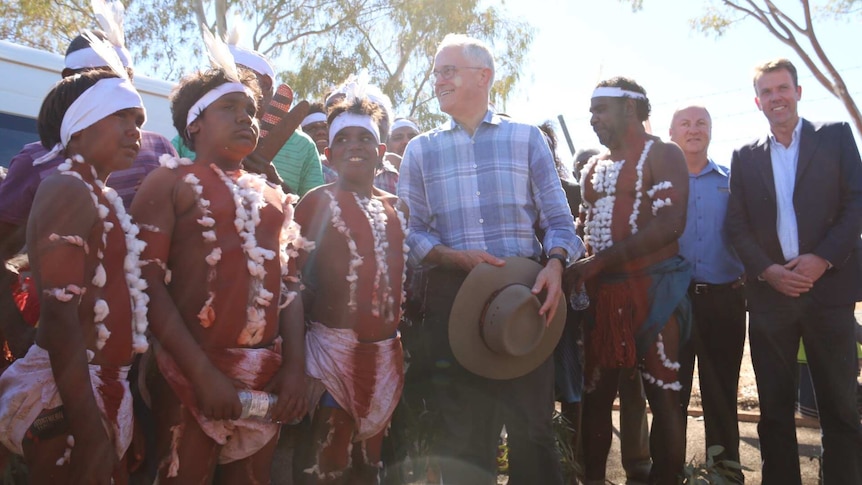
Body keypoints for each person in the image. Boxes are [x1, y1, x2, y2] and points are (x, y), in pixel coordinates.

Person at [398, 34, 581, 485]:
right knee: (463, 437)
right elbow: (409, 232)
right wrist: (450, 256)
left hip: (524, 302)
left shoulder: (528, 140)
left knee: (533, 433)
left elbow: (561, 221)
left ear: (484, 76)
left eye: (448, 70)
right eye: (436, 71)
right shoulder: (420, 150)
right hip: (453, 303)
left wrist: (556, 265)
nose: (437, 79)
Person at [129, 53, 307, 482]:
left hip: (263, 378)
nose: (247, 119)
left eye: (251, 110)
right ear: (194, 125)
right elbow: (146, 282)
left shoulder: (274, 197)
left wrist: (295, 368)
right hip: (188, 373)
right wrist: (202, 374)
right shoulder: (170, 181)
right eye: (229, 108)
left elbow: (290, 288)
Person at [0, 66, 149, 484]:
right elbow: (62, 317)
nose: (134, 129)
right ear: (79, 127)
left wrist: (122, 407)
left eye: (138, 120)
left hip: (99, 388)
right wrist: (88, 432)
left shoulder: (101, 196)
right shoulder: (66, 189)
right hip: (68, 398)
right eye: (120, 116)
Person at [0, 29, 177, 367]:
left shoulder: (155, 150)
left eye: (121, 81)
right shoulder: (37, 161)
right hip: (71, 353)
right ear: (68, 81)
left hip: (144, 348)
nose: (113, 94)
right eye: (98, 81)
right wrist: (19, 332)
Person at [725, 58, 862, 484]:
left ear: (798, 92)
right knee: (775, 411)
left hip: (830, 295)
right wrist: (767, 271)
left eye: (782, 88)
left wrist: (822, 259)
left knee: (840, 406)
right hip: (771, 301)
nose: (776, 98)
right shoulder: (744, 157)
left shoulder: (836, 137)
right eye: (767, 92)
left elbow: (856, 203)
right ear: (757, 102)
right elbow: (736, 225)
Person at [565, 77, 691, 485]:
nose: (592, 118)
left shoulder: (664, 154)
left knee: (664, 397)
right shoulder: (593, 166)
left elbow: (671, 224)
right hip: (604, 298)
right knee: (598, 397)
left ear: (630, 109)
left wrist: (600, 262)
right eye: (591, 110)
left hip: (654, 292)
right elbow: (585, 225)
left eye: (600, 109)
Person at [291, 94, 406, 484]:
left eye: (363, 137)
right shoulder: (314, 204)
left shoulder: (397, 208)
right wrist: (293, 364)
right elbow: (290, 286)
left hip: (386, 355)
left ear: (381, 151)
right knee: (326, 462)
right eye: (343, 139)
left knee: (368, 465)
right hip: (330, 356)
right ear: (327, 152)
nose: (353, 145)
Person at [670, 104, 746, 479]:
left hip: (724, 301)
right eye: (685, 123)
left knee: (721, 396)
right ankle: (669, 472)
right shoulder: (661, 188)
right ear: (672, 134)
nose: (694, 128)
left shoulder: (732, 182)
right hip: (673, 304)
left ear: (712, 131)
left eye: (701, 122)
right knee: (672, 396)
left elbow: (749, 234)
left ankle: (727, 473)